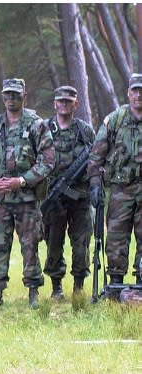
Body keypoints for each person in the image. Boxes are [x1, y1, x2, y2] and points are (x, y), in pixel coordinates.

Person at [0, 78, 55, 308]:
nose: (11, 99)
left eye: (16, 95)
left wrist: (21, 180)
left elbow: (48, 160)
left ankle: (33, 293)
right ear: (2, 97)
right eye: (7, 95)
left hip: (26, 199)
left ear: (24, 96)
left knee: (30, 245)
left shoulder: (36, 124)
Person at [88, 73, 142, 287]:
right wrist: (94, 184)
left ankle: (140, 283)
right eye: (135, 91)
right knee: (116, 237)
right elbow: (96, 155)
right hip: (121, 190)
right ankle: (116, 282)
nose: (139, 95)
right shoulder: (115, 120)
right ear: (128, 93)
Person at [43, 86, 95, 298]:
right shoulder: (44, 129)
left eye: (68, 101)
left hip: (80, 197)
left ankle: (78, 287)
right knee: (53, 242)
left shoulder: (85, 130)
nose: (64, 104)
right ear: (55, 103)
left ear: (76, 104)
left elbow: (96, 159)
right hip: (52, 197)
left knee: (81, 242)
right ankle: (56, 288)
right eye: (61, 101)